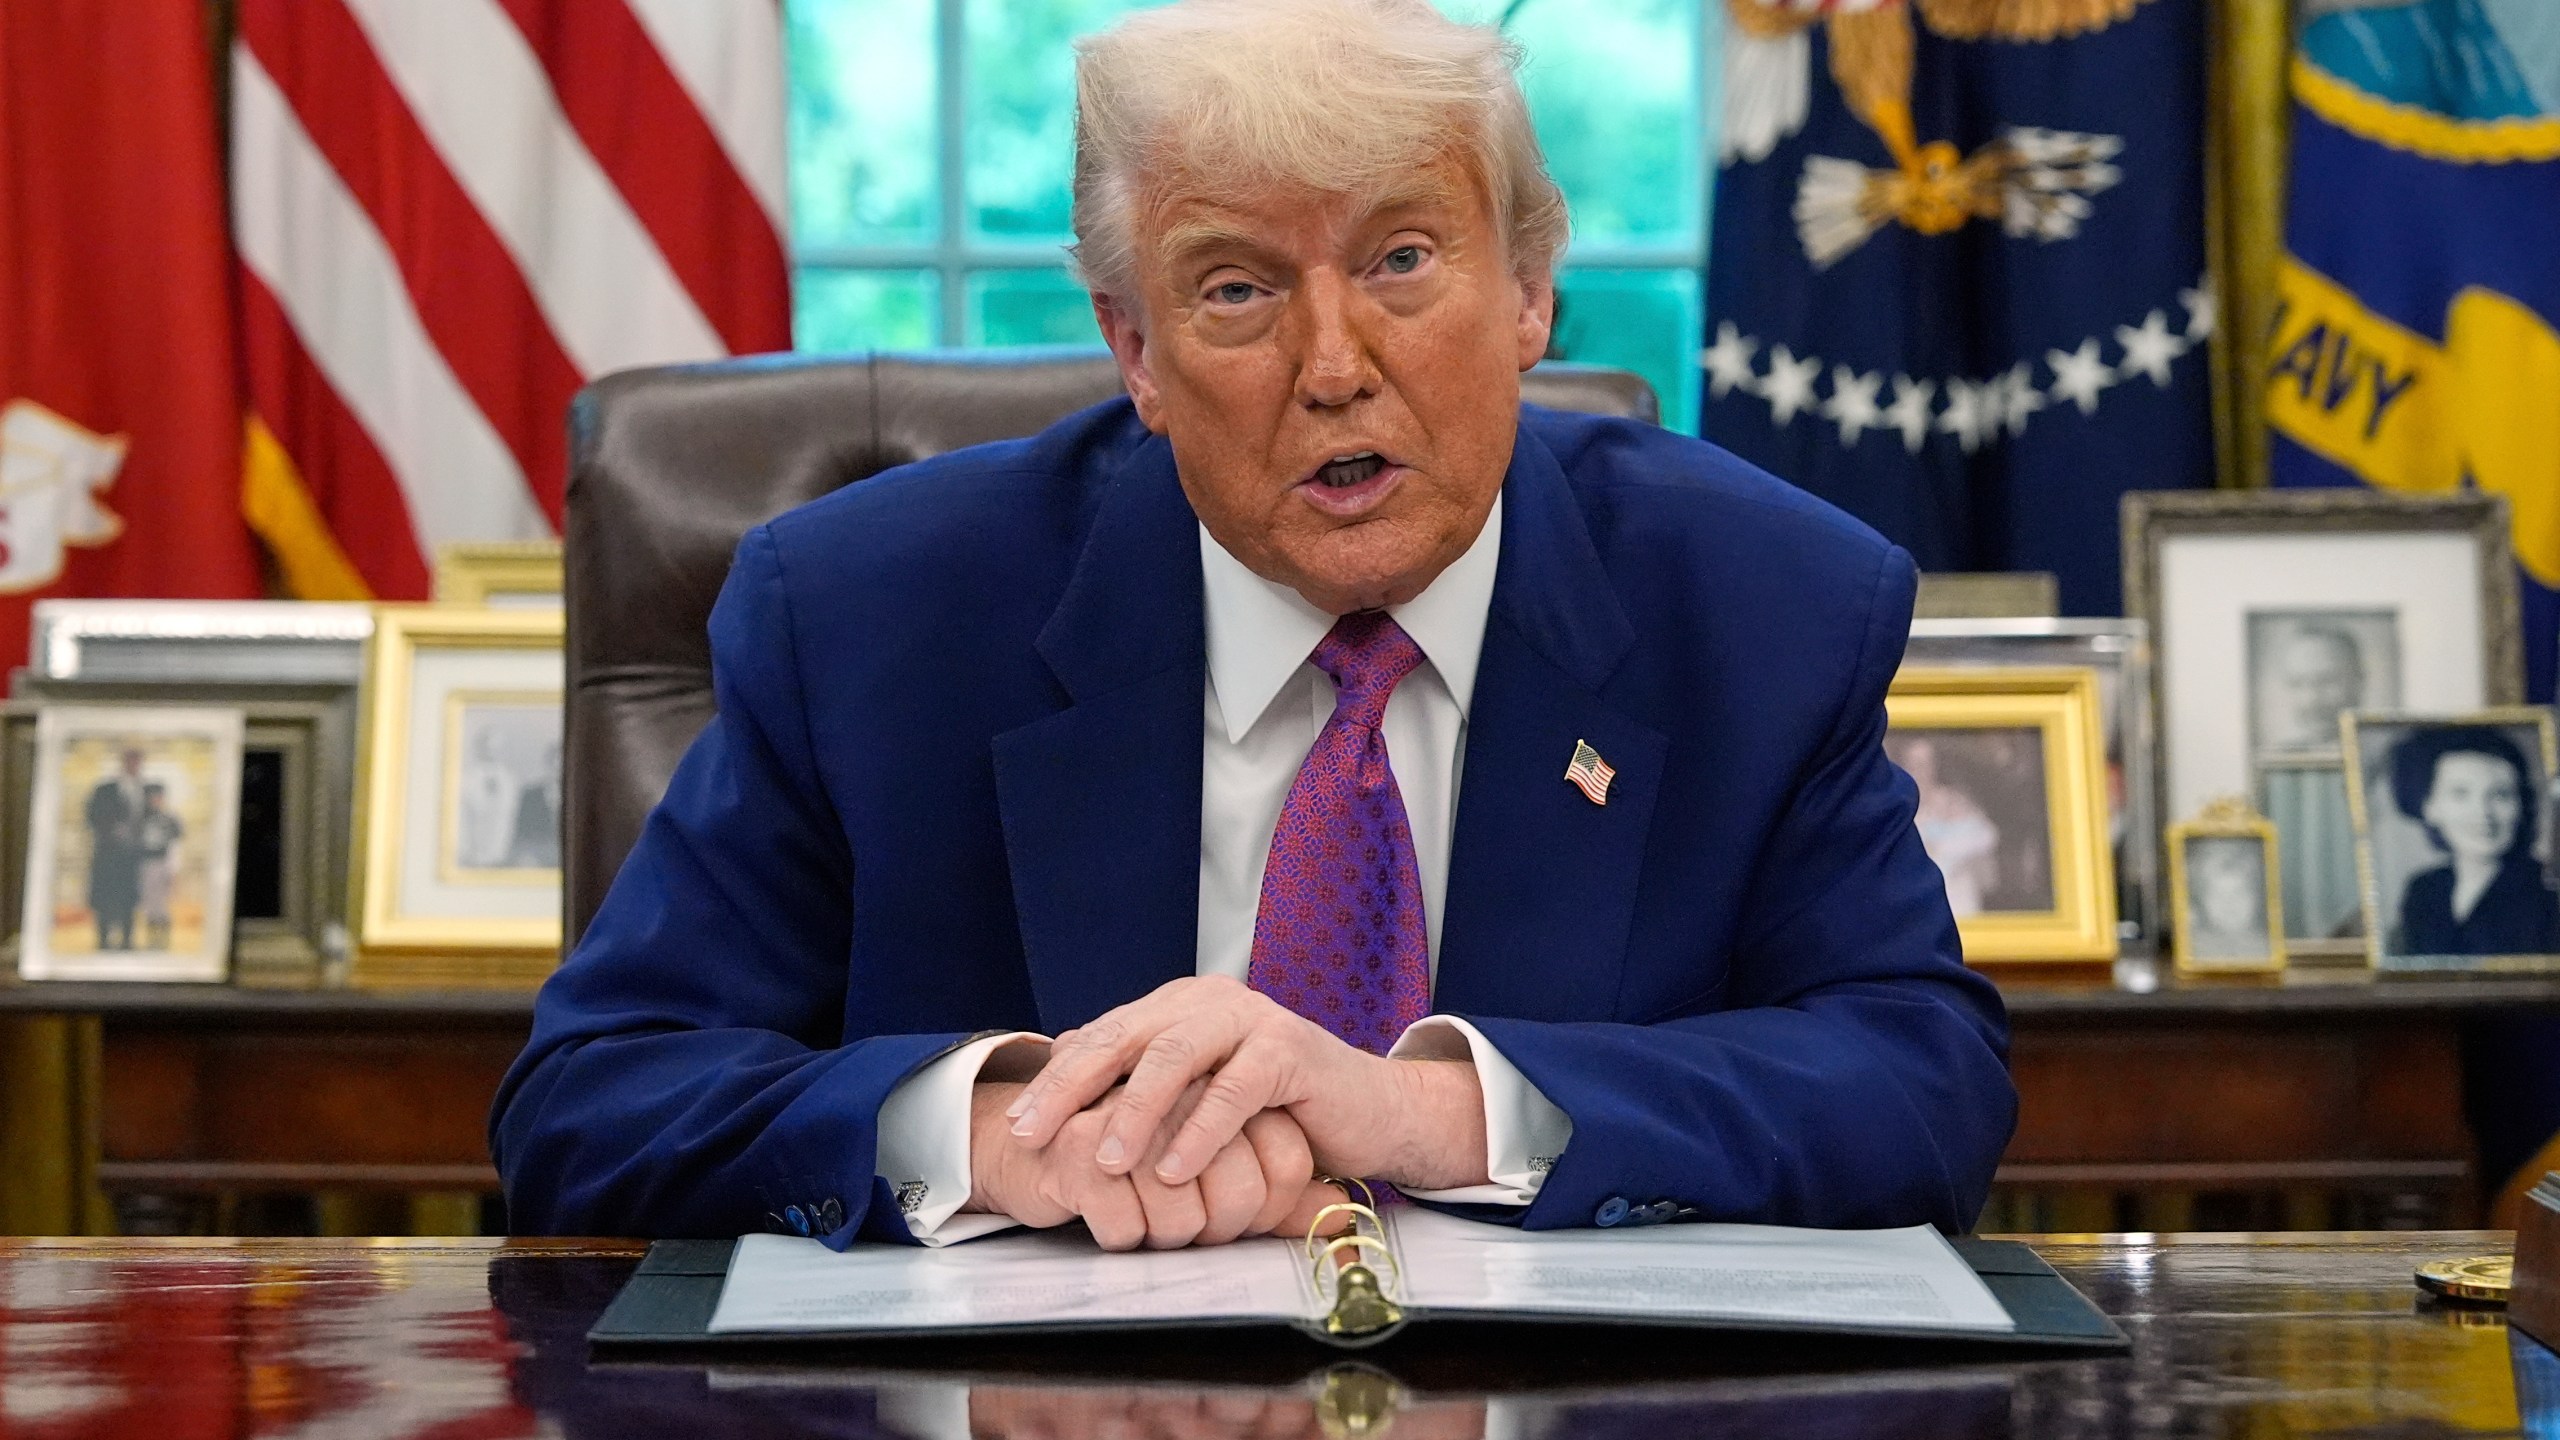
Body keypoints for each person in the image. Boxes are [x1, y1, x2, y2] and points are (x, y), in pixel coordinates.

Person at [492, 0, 2014, 1252]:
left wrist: (1419, 1110)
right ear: (1136, 354)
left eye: (1403, 260)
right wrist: (997, 1135)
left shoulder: (1765, 607)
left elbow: (1922, 1083)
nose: (1334, 365)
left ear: (1530, 293)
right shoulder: (867, 619)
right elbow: (592, 1104)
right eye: (1235, 290)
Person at [2389, 726, 2560, 958]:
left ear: (2521, 806)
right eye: (2461, 794)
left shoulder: (2547, 890)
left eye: (2500, 794)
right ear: (2429, 806)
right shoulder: (2424, 890)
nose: (2482, 813)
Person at [1894, 736, 2000, 917]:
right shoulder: (1896, 810)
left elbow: (1988, 869)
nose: (1921, 772)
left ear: (1936, 766)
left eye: (1926, 764)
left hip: (1960, 907)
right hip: (1916, 912)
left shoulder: (1960, 805)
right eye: (1913, 765)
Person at [2254, 620, 2365, 756]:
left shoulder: (2383, 756)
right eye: (2297, 683)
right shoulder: (2278, 756)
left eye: (2327, 680)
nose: (2312, 699)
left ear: (2359, 680)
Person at [84, 747, 147, 950]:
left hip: (132, 855)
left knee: (129, 897)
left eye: (137, 762)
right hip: (108, 853)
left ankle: (127, 940)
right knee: (105, 896)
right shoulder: (105, 789)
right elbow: (91, 815)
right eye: (130, 761)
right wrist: (111, 829)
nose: (134, 766)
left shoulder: (144, 790)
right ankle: (103, 939)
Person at [2183, 836, 2269, 962]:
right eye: (2218, 896)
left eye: (2239, 893)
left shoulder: (2266, 947)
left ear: (2257, 897)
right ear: (2201, 902)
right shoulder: (2194, 949)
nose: (2229, 904)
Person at [458, 726, 518, 869]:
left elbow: (513, 817)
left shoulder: (510, 780)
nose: (492, 752)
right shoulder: (466, 779)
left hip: (504, 855)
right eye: (488, 747)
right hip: (471, 856)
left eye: (497, 747)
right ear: (479, 748)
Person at [135, 782, 184, 951]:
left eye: (158, 797)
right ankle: (152, 939)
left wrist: (174, 869)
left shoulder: (169, 819)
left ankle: (162, 939)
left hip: (163, 862)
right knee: (149, 904)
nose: (155, 800)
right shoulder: (141, 818)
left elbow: (175, 845)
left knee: (161, 904)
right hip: (145, 863)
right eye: (152, 797)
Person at [508, 740, 562, 870]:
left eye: (561, 768)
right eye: (553, 766)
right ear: (547, 765)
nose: (557, 772)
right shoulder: (530, 796)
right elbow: (521, 833)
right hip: (536, 858)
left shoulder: (578, 798)